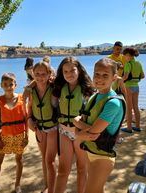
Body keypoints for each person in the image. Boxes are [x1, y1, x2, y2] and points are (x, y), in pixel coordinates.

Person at [73, 58, 126, 193]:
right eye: (97, 74)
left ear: (114, 78)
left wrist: (77, 128)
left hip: (102, 158)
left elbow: (94, 133)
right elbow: (86, 126)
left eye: (105, 75)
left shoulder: (113, 103)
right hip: (90, 152)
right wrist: (79, 126)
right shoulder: (95, 96)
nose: (99, 78)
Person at [52, 57, 95, 193]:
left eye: (72, 70)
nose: (69, 74)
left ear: (79, 70)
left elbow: (93, 112)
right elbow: (53, 104)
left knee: (82, 169)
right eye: (65, 71)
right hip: (64, 131)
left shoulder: (87, 90)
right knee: (63, 170)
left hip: (80, 134)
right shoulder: (59, 88)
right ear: (61, 73)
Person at [0, 73, 28, 193]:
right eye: (5, 84)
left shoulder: (22, 99)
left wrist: (26, 137)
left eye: (11, 84)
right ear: (1, 85)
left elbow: (26, 120)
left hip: (19, 135)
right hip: (5, 136)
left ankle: (17, 185)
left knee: (19, 160)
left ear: (15, 85)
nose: (8, 87)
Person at [26, 61, 58, 193]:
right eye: (37, 74)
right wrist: (29, 119)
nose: (40, 77)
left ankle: (52, 189)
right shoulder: (31, 90)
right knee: (44, 158)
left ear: (49, 74)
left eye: (43, 74)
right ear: (33, 74)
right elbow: (29, 107)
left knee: (49, 160)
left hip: (53, 127)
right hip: (39, 128)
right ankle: (47, 186)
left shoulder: (54, 88)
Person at [120, 47, 145, 133]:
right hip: (136, 87)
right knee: (136, 107)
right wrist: (135, 78)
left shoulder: (128, 64)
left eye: (125, 55)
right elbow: (142, 76)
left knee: (129, 108)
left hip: (128, 87)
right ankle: (137, 126)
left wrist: (120, 80)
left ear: (129, 55)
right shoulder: (139, 63)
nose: (124, 57)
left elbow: (126, 76)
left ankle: (129, 128)